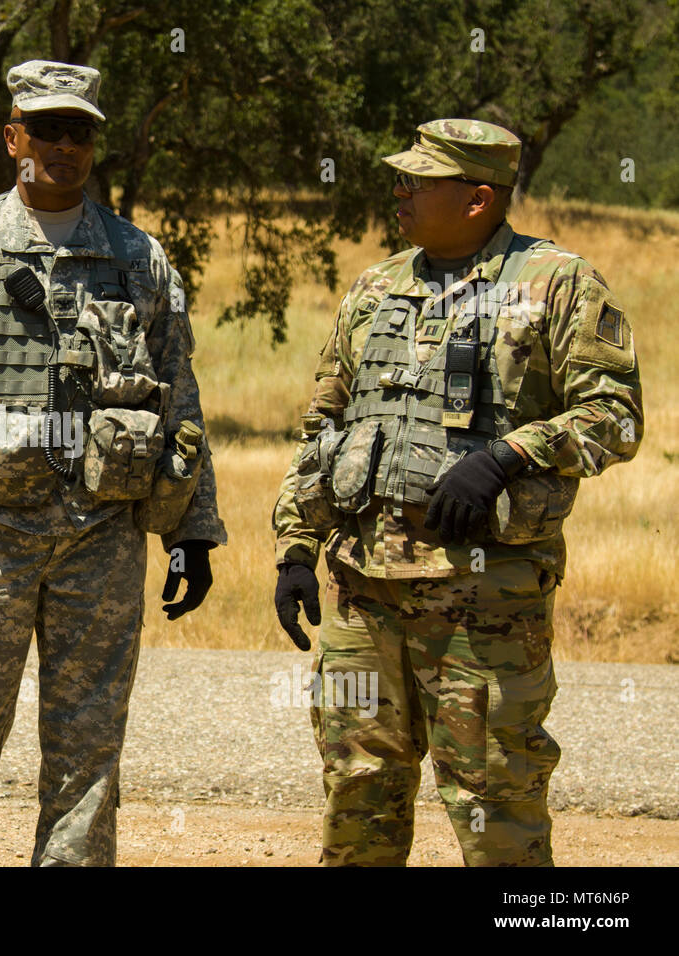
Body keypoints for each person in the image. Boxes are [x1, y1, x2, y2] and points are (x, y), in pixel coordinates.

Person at [0, 59, 227, 866]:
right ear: (12, 135)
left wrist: (191, 527)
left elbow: (180, 400)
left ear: (95, 144)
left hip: (103, 540)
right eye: (47, 128)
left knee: (88, 759)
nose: (64, 145)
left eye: (80, 131)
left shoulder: (139, 261)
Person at [272, 119, 643, 866]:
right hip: (361, 593)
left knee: (493, 800)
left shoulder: (556, 283)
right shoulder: (376, 287)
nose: (398, 191)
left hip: (483, 603)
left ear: (478, 199)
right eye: (399, 178)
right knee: (357, 790)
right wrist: (296, 546)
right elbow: (325, 424)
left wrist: (509, 453)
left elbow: (616, 416)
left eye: (417, 181)